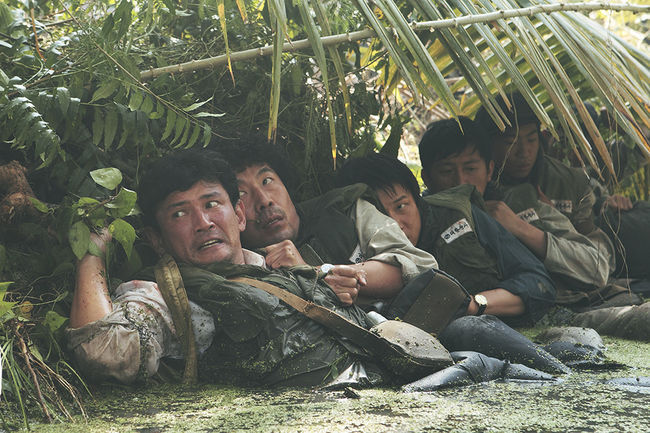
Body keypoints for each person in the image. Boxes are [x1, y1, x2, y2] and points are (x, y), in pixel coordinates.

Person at [67, 150, 409, 386]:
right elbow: (104, 352)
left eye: (212, 204)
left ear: (240, 215)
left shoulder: (280, 266)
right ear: (157, 240)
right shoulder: (162, 297)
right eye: (180, 213)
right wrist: (92, 252)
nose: (203, 223)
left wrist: (324, 280)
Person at [419, 114, 638, 310]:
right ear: (426, 178)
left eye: (470, 169)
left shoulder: (519, 204)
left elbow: (597, 269)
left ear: (489, 170)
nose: (460, 181)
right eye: (446, 171)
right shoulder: (418, 218)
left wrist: (520, 228)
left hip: (569, 305)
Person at [336, 152, 556, 325]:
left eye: (401, 207)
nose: (395, 224)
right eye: (378, 215)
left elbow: (538, 284)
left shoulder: (461, 215)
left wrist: (474, 304)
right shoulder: (346, 245)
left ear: (417, 199)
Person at [218, 137, 437, 305]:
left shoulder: (345, 207)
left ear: (285, 183)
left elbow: (419, 265)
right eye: (242, 193)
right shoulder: (240, 264)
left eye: (267, 181)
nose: (264, 200)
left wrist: (320, 273)